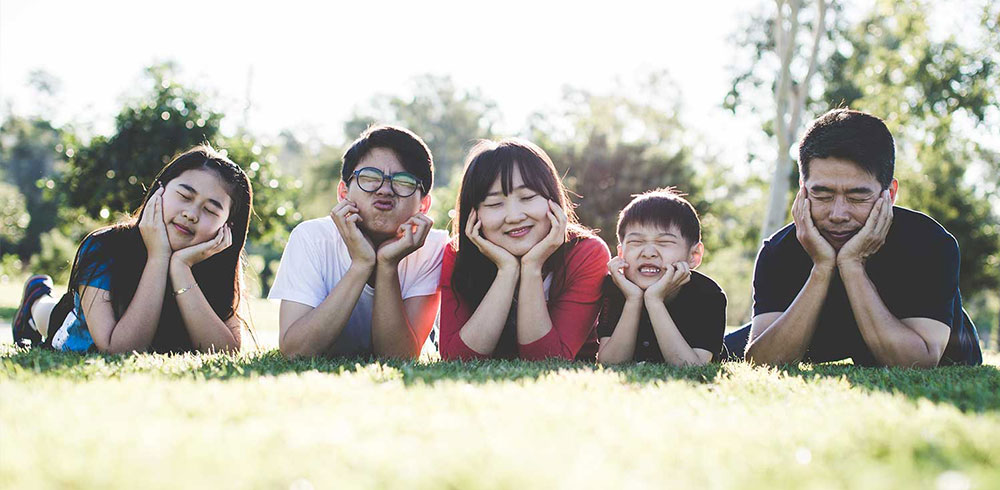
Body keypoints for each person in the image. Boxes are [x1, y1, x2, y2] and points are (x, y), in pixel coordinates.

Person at [724, 109, 982, 367]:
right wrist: (822, 268)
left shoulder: (930, 243)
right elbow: (762, 362)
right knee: (716, 349)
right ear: (803, 191)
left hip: (925, 339)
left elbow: (919, 362)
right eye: (823, 195)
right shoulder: (778, 251)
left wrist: (852, 265)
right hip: (822, 333)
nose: (838, 214)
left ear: (889, 195)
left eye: (857, 197)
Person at [12, 145, 252, 353]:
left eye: (210, 210)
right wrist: (158, 257)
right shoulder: (103, 246)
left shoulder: (221, 261)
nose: (191, 214)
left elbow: (225, 352)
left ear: (227, 225)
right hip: (78, 327)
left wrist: (181, 268)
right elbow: (119, 349)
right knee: (52, 314)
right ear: (160, 190)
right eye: (184, 196)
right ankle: (35, 298)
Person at [269, 125, 447, 359]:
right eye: (370, 178)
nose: (385, 190)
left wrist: (387, 264)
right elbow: (295, 351)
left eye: (403, 181)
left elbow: (399, 358)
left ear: (423, 205)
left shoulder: (433, 247)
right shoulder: (311, 238)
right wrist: (361, 264)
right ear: (343, 193)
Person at [439, 138, 611, 361]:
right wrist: (507, 271)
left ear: (553, 199)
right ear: (474, 214)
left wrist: (531, 267)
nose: (514, 216)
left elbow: (546, 360)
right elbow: (458, 359)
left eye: (528, 198)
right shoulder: (457, 255)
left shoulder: (586, 254)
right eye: (494, 204)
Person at [597, 189, 726, 365]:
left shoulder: (708, 294)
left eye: (664, 243)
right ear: (621, 253)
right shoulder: (616, 286)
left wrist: (654, 300)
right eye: (636, 242)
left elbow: (692, 367)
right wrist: (633, 300)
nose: (648, 253)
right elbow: (610, 364)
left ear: (694, 255)